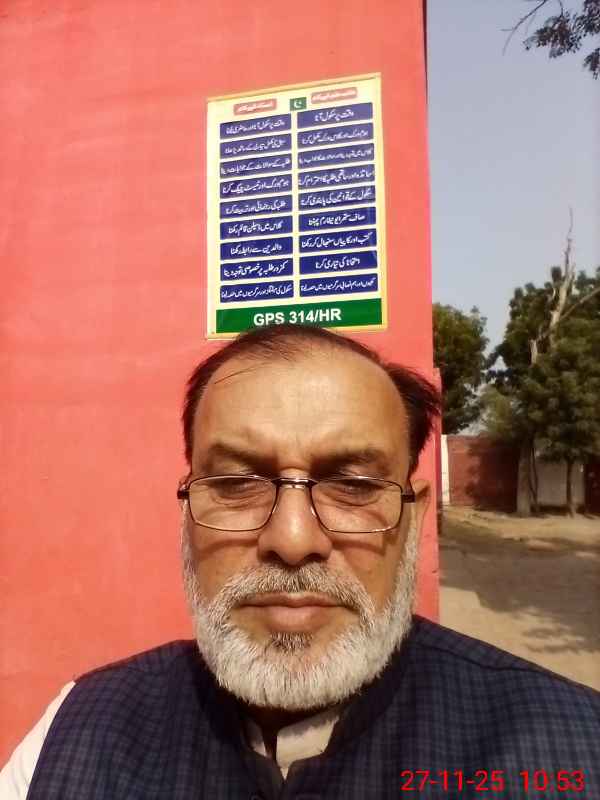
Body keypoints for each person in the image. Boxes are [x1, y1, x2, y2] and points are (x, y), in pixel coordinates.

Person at [1, 324, 598, 799]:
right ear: (187, 513)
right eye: (236, 483)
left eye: (354, 486)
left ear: (412, 522)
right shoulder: (74, 735)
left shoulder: (569, 750)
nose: (291, 540)